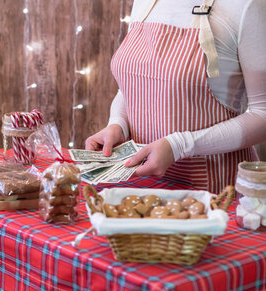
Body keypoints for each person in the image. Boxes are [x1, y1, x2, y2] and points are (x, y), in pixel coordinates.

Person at [85, 0, 266, 193]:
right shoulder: (145, 2)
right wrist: (118, 124)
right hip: (138, 184)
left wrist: (181, 146)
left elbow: (262, 114)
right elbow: (132, 86)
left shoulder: (246, 6)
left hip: (213, 191)